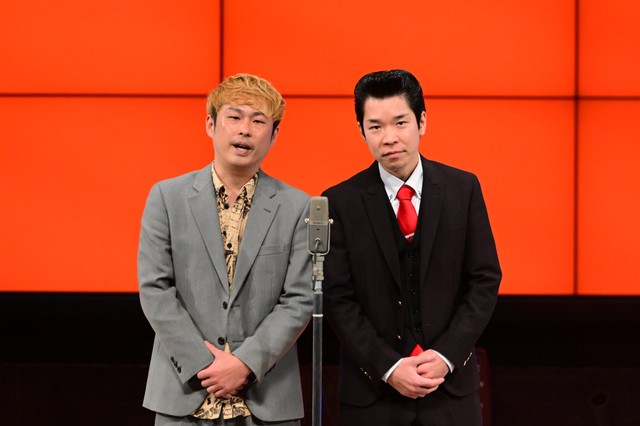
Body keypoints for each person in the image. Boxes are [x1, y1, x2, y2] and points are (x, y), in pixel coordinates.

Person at [322, 69, 502, 425]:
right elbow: (337, 297)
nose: (389, 138)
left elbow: (484, 280)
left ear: (422, 122)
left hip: (450, 391)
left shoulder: (463, 189)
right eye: (375, 127)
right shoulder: (339, 201)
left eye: (400, 123)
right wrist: (388, 366)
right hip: (372, 395)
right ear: (361, 130)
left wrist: (446, 356)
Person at [138, 73, 313, 425]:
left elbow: (299, 299)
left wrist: (244, 364)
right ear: (210, 124)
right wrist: (207, 366)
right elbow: (155, 290)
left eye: (258, 121)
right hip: (184, 394)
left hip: (266, 398)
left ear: (274, 134)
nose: (245, 130)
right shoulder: (167, 198)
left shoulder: (298, 206)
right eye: (234, 117)